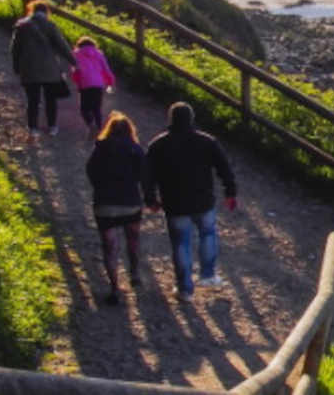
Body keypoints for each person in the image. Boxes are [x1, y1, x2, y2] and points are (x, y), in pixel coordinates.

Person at [144, 102, 238, 302]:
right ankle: (208, 275)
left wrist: (150, 199)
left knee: (181, 244)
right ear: (191, 119)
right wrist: (230, 191)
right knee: (208, 234)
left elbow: (147, 176)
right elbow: (224, 167)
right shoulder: (207, 141)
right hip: (203, 200)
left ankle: (185, 289)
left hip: (175, 203)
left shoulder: (158, 145)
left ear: (170, 119)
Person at [86, 111, 147, 306]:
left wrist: (101, 187)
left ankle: (114, 288)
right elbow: (143, 175)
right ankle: (135, 273)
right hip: (130, 202)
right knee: (133, 240)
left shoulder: (100, 148)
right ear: (130, 130)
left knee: (110, 247)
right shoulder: (135, 149)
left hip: (105, 204)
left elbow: (91, 172)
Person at [10, 0, 77, 140]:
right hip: (50, 69)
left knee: (33, 100)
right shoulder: (50, 26)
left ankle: (33, 128)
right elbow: (62, 45)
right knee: (50, 99)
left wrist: (16, 67)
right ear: (46, 12)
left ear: (32, 10)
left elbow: (15, 49)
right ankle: (52, 126)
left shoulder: (21, 26)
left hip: (29, 68)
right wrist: (74, 62)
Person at [72, 36, 116, 140]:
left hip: (85, 84)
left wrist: (77, 82)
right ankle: (100, 131)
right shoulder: (99, 54)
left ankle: (91, 125)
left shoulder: (76, 54)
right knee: (97, 108)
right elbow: (106, 69)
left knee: (84, 109)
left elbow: (75, 72)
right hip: (98, 84)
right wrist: (110, 82)